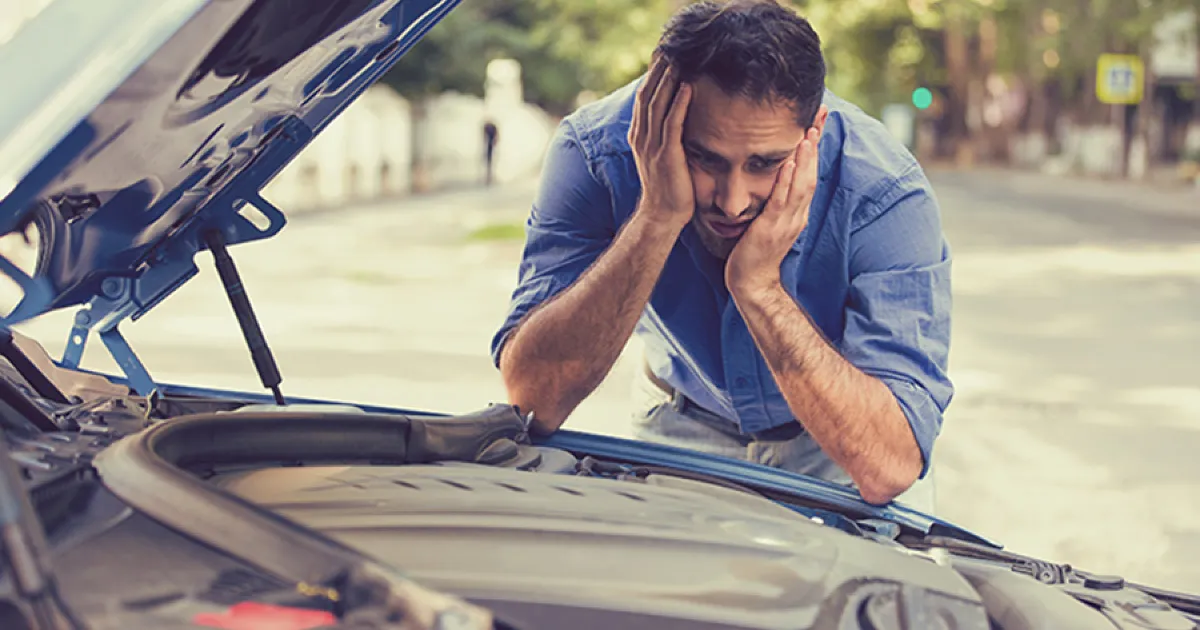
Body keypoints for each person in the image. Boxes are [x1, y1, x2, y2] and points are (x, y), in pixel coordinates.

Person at [489, 0, 952, 511]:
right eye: (703, 157)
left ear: (812, 129)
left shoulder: (884, 191)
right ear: (658, 115)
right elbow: (530, 402)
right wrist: (655, 219)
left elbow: (888, 466)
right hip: (677, 426)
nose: (732, 201)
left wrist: (759, 290)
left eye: (765, 163)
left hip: (834, 447)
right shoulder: (596, 155)